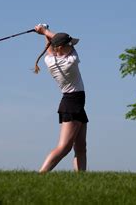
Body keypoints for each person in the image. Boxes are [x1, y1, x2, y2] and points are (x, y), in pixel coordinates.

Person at [33, 24, 88, 173]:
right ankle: (40, 175)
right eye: (69, 44)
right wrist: (45, 31)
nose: (72, 46)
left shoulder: (50, 61)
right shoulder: (71, 61)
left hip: (74, 103)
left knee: (81, 146)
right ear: (61, 48)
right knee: (64, 147)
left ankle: (82, 179)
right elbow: (53, 42)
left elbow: (50, 46)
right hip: (72, 104)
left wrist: (44, 30)